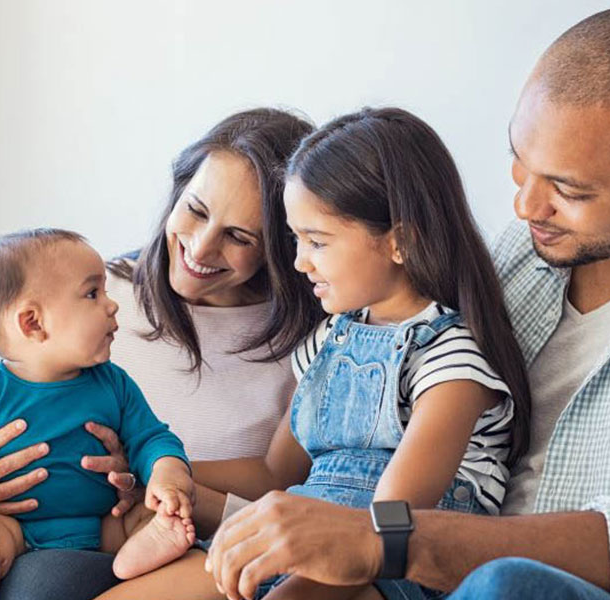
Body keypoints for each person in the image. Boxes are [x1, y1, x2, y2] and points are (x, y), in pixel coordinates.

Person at [205, 8, 610, 600]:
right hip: (425, 570)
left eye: (568, 189)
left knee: (505, 584)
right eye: (519, 166)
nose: (525, 208)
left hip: (501, 580)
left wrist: (386, 539)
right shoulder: (526, 253)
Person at [93, 106, 531, 600]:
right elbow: (275, 474)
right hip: (299, 532)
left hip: (387, 564)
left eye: (316, 242)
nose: (299, 263)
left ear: (401, 243)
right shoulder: (330, 340)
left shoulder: (451, 360)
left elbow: (389, 526)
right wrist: (163, 470)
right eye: (296, 239)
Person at [0, 108, 319, 599]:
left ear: (283, 244)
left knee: (43, 584)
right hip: (13, 522)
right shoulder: (90, 291)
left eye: (239, 236)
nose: (199, 247)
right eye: (195, 210)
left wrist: (157, 478)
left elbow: (279, 489)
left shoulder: (313, 344)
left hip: (150, 530)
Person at [0, 229, 199, 600]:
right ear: (33, 323)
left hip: (104, 524)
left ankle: (137, 555)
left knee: (153, 516)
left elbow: (150, 437)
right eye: (93, 293)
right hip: (11, 526)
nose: (112, 305)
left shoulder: (113, 383)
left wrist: (167, 472)